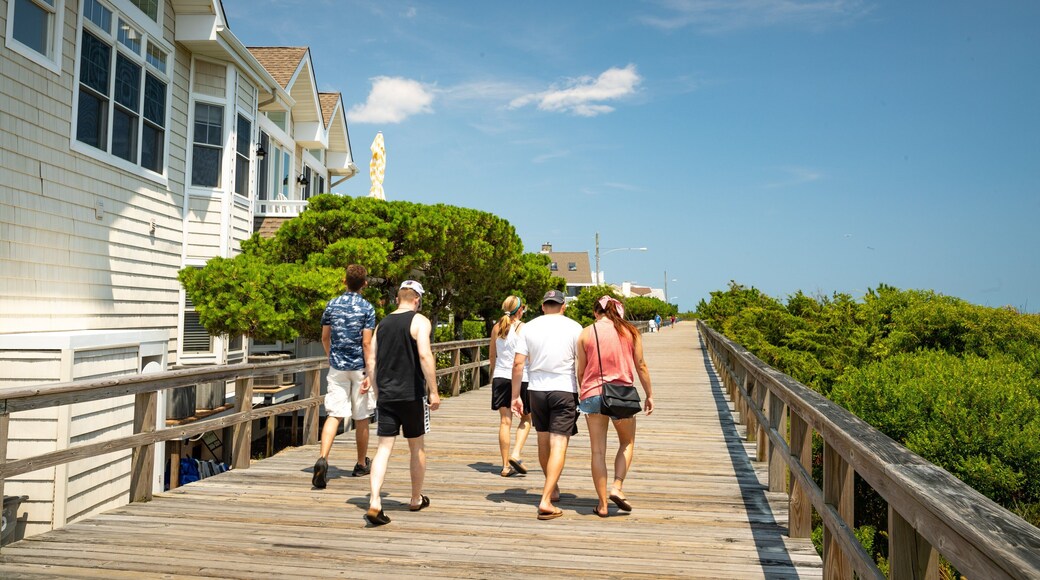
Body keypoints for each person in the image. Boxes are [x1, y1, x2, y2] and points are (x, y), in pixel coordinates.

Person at [362, 280, 441, 526]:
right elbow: (425, 355)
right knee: (416, 447)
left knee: (383, 448)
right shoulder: (419, 321)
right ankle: (416, 498)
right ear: (417, 300)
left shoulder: (382, 324)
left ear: (398, 299)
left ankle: (375, 501)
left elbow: (372, 361)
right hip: (412, 394)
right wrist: (434, 392)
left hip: (386, 394)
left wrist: (376, 390)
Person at [576, 296, 654, 517]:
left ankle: (602, 505)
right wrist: (649, 395)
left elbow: (581, 371)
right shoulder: (630, 332)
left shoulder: (586, 332)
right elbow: (641, 365)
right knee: (627, 442)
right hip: (622, 397)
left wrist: (584, 393)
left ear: (596, 312)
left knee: (597, 451)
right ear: (619, 311)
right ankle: (617, 487)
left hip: (593, 395)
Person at [510, 289, 583, 520]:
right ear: (563, 306)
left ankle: (553, 487)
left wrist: (515, 396)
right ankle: (545, 499)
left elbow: (518, 364)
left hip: (536, 390)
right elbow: (580, 364)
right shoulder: (574, 327)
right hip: (564, 388)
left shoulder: (529, 327)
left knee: (543, 440)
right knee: (559, 443)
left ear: (543, 306)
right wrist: (583, 392)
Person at [313, 264, 377, 489]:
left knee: (334, 414)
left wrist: (332, 357)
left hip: (337, 367)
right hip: (359, 368)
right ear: (365, 284)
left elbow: (324, 336)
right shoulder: (367, 308)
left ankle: (323, 458)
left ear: (344, 281)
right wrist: (371, 372)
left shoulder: (332, 304)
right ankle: (361, 463)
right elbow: (367, 342)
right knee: (362, 417)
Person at [489, 295, 532, 477]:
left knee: (505, 421)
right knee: (527, 419)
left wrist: (495, 374)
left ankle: (505, 465)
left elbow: (492, 357)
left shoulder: (496, 328)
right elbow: (529, 357)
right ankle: (516, 452)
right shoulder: (525, 329)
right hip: (521, 377)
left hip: (500, 377)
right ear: (520, 310)